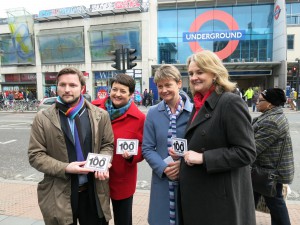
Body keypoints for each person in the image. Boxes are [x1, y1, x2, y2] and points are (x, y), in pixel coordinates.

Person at [28, 67, 114, 225]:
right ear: (57, 87)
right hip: (59, 192)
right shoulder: (42, 118)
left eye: (72, 85)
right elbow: (35, 156)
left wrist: (103, 162)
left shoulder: (100, 115)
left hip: (93, 191)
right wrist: (66, 168)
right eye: (62, 85)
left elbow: (108, 144)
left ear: (82, 88)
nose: (67, 89)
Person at [179, 50, 256, 225]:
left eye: (200, 72)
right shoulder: (199, 103)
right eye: (191, 73)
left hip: (219, 203)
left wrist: (203, 158)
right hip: (200, 196)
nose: (193, 77)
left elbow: (247, 152)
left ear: (214, 73)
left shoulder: (230, 102)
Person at [142, 64, 193, 225]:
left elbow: (201, 146)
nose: (164, 90)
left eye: (168, 85)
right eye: (160, 86)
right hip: (163, 180)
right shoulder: (153, 112)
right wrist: (165, 169)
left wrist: (182, 166)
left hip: (189, 178)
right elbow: (148, 148)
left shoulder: (195, 111)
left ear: (179, 83)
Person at [92, 74, 145, 225]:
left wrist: (131, 157)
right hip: (96, 175)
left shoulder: (139, 118)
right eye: (114, 89)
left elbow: (144, 147)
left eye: (123, 91)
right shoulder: (94, 108)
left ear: (131, 94)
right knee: (98, 219)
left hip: (122, 178)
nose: (117, 94)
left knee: (123, 221)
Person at [252, 88, 294, 225]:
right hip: (265, 171)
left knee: (276, 204)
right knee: (254, 201)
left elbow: (253, 148)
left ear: (270, 104)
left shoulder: (272, 122)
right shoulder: (271, 116)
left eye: (260, 100)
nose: (256, 102)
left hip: (269, 173)